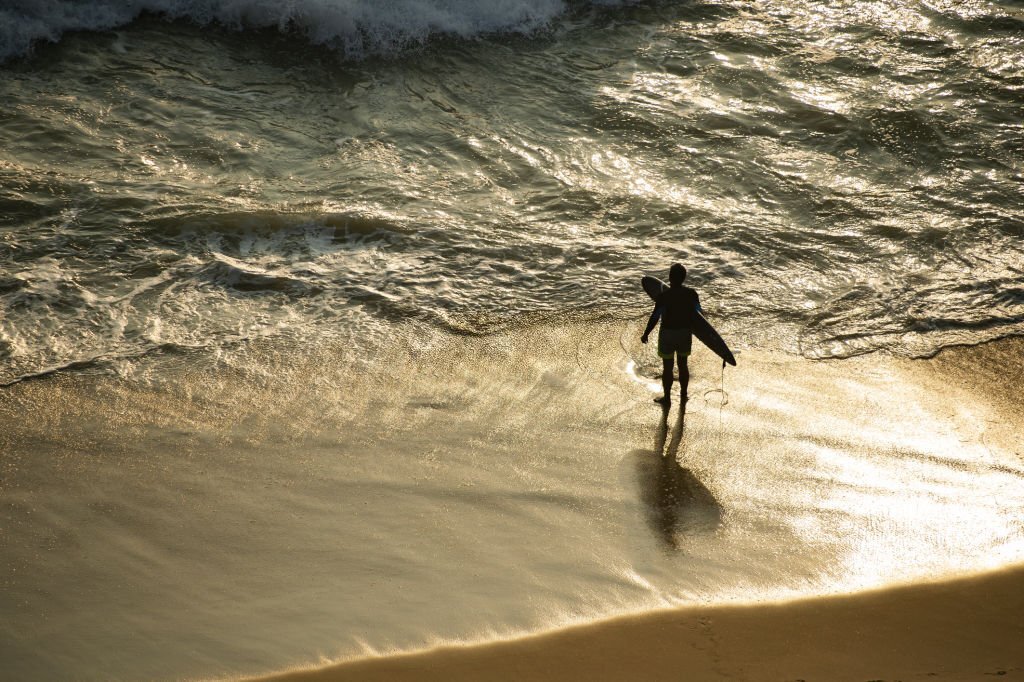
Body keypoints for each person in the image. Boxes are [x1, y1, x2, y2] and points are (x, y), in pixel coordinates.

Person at [641, 263, 701, 406]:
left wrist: (646, 333)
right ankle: (683, 396)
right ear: (684, 278)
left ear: (669, 277)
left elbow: (655, 316)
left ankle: (667, 399)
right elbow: (699, 315)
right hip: (684, 333)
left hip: (668, 334)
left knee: (667, 367)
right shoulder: (692, 294)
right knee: (683, 364)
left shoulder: (664, 296)